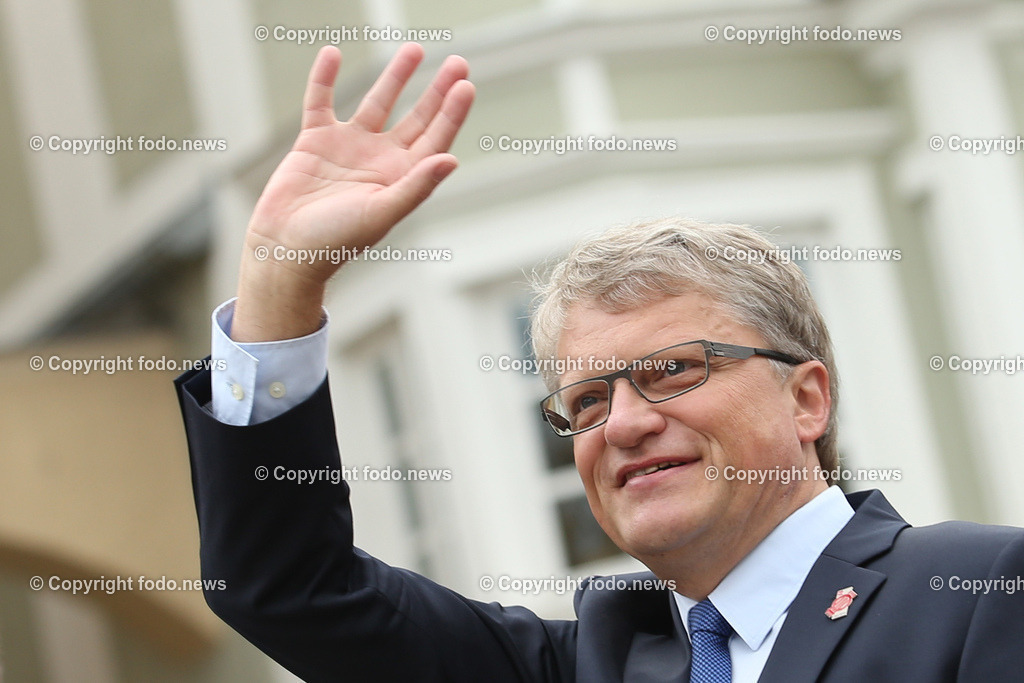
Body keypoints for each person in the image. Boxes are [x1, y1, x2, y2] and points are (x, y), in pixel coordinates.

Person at [175, 43, 1024, 682]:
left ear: (807, 399)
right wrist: (280, 285)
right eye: (583, 403)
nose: (622, 422)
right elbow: (289, 588)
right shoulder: (590, 661)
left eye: (670, 372)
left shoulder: (977, 587)